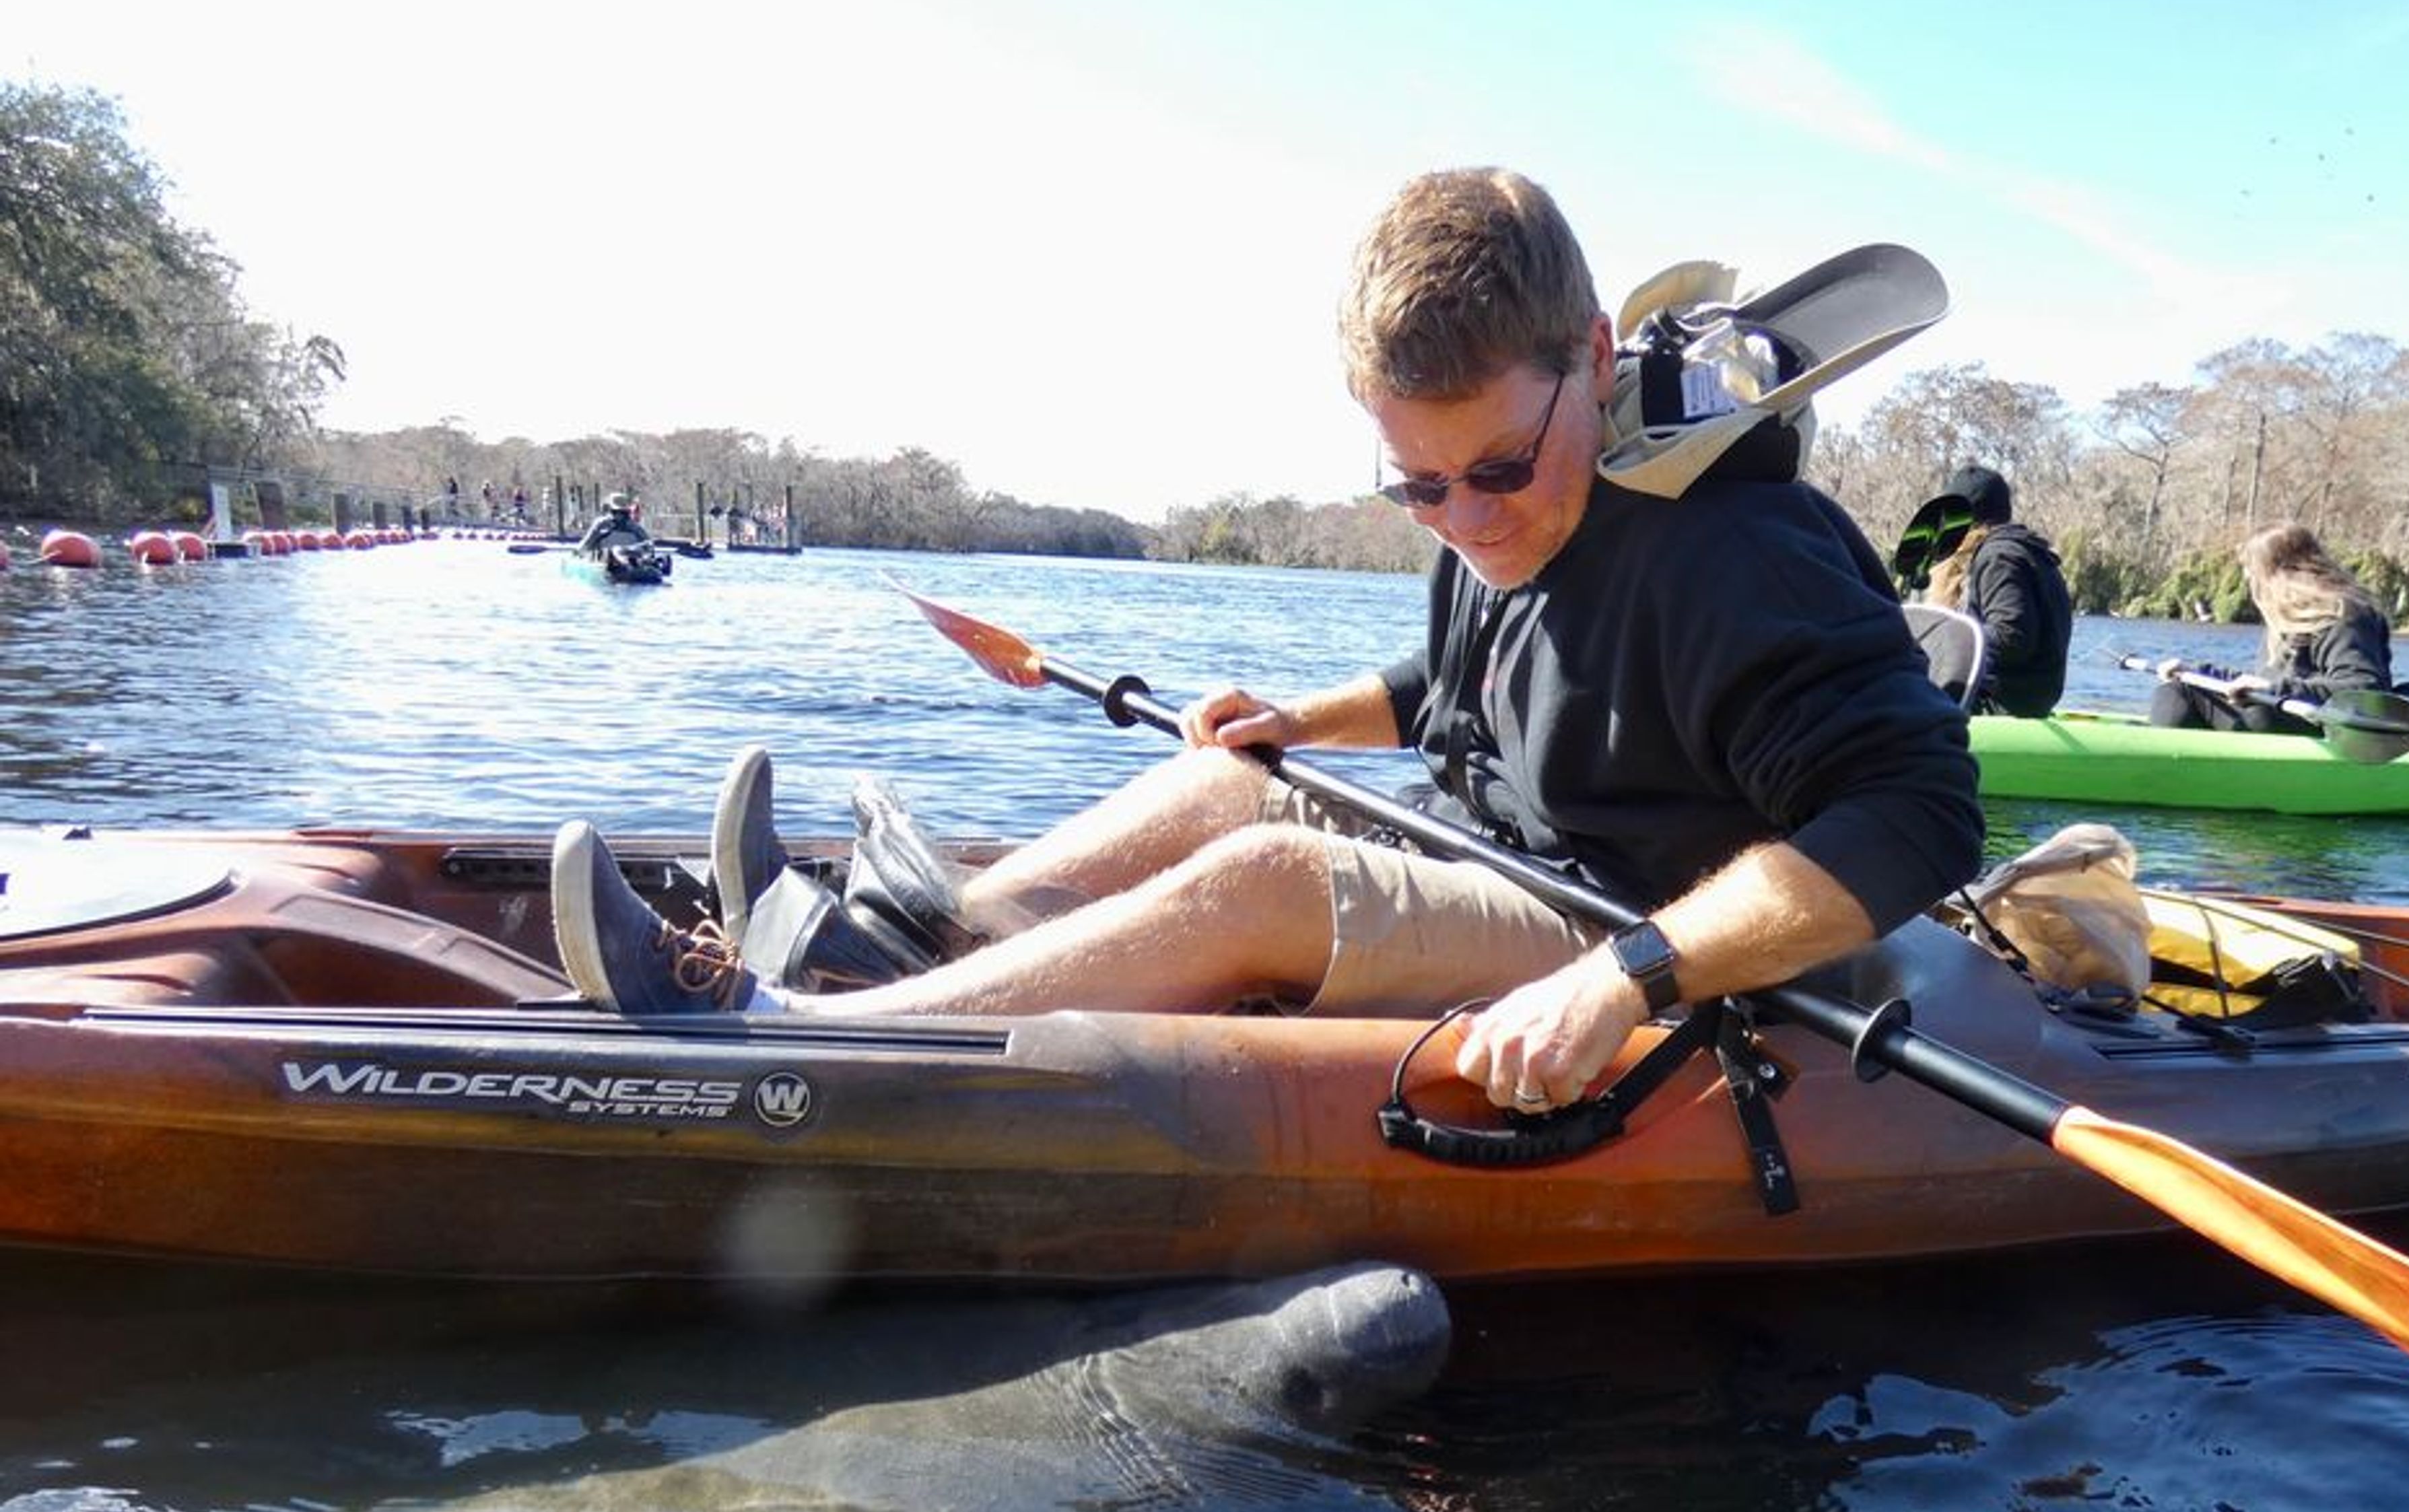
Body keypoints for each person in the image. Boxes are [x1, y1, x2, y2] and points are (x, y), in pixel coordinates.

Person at [547, 166, 1984, 1115]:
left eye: (1493, 470)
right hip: (1492, 848)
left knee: (1274, 875)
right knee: (1234, 782)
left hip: (1630, 921)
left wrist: (1628, 977)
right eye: (1415, 486)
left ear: (1596, 361)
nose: (1463, 519)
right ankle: (916, 949)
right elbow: (1461, 691)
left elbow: (1918, 819)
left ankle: (811, 1048)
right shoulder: (1515, 515)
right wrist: (1301, 722)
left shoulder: (1737, 554)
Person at [2146, 521, 2392, 732]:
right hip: (2277, 713)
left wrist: (2274, 689)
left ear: (2284, 572)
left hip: (2326, 728)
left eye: (2252, 571)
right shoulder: (2286, 619)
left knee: (2256, 715)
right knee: (2178, 691)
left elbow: (2364, 690)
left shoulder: (2344, 614)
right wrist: (2196, 672)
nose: (2247, 579)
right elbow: (2260, 683)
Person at [1907, 465, 2072, 716]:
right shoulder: (2020, 551)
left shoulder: (2000, 557)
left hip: (2000, 706)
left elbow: (2011, 637)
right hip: (2016, 701)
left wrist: (1943, 636)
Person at [574, 491, 651, 557]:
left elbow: (585, 545)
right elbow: (649, 548)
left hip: (620, 567)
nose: (620, 517)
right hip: (609, 565)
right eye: (618, 513)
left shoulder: (601, 525)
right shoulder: (635, 527)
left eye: (622, 513)